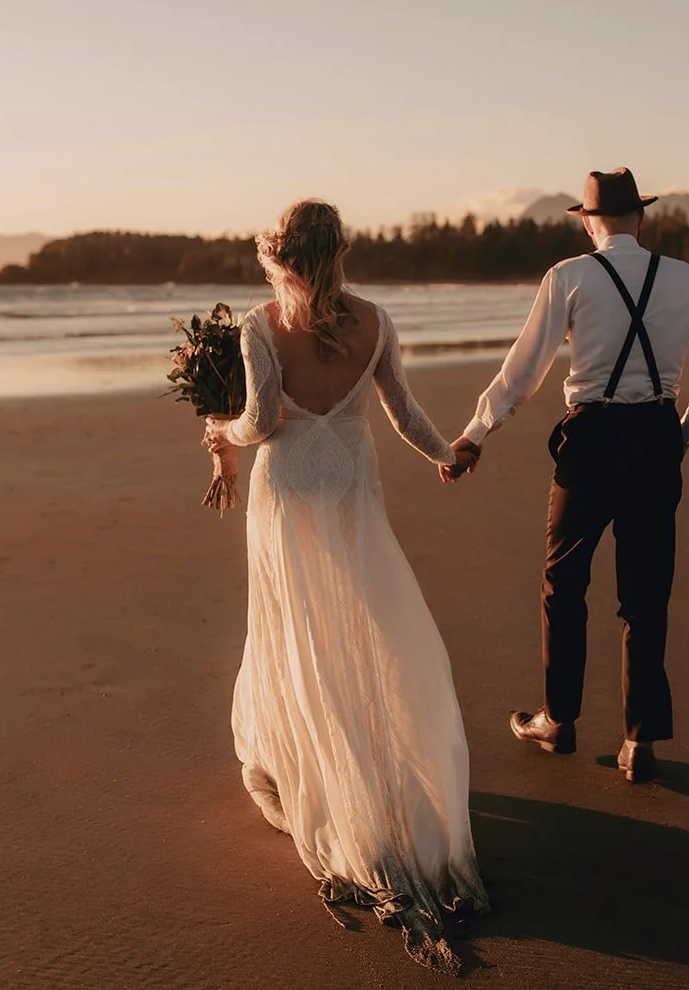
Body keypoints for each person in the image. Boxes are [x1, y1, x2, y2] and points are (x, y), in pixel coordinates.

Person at [202, 199, 486, 974]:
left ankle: (329, 782)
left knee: (301, 636)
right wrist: (445, 452)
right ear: (341, 252)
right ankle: (373, 771)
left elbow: (261, 420)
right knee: (364, 628)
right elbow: (403, 410)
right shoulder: (376, 319)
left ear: (283, 258)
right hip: (354, 494)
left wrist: (219, 431)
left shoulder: (262, 325)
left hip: (288, 495)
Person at [447, 167, 689, 783]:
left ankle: (558, 720)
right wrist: (682, 433)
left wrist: (476, 433)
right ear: (643, 217)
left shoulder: (570, 276)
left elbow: (523, 371)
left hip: (593, 439)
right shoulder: (684, 277)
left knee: (564, 584)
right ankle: (639, 742)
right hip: (656, 437)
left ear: (587, 220)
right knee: (646, 594)